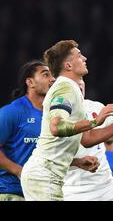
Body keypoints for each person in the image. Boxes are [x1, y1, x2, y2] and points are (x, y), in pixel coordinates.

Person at [21, 40, 113, 201]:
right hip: (45, 177)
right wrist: (96, 121)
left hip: (57, 177)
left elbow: (87, 139)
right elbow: (56, 127)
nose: (84, 58)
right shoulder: (64, 88)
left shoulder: (73, 92)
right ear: (68, 66)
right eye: (79, 56)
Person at [0, 60, 97, 201]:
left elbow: (45, 155)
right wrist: (19, 171)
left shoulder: (52, 116)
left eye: (53, 76)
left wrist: (77, 162)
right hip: (11, 192)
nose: (52, 79)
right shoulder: (12, 112)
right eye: (46, 75)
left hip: (40, 191)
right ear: (30, 82)